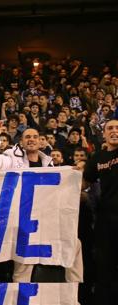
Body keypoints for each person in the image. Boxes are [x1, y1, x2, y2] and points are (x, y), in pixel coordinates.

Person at [0, 120, 82, 282]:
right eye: (27, 137)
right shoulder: (11, 159)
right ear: (21, 142)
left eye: (35, 137)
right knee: (23, 267)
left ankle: (72, 294)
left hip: (45, 220)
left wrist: (73, 173)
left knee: (74, 245)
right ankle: (20, 298)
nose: (31, 139)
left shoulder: (49, 164)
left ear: (40, 141)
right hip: (22, 222)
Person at [83, 119, 118, 305]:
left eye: (117, 128)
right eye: (110, 128)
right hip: (107, 220)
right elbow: (84, 181)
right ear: (103, 134)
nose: (114, 131)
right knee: (105, 267)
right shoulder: (98, 158)